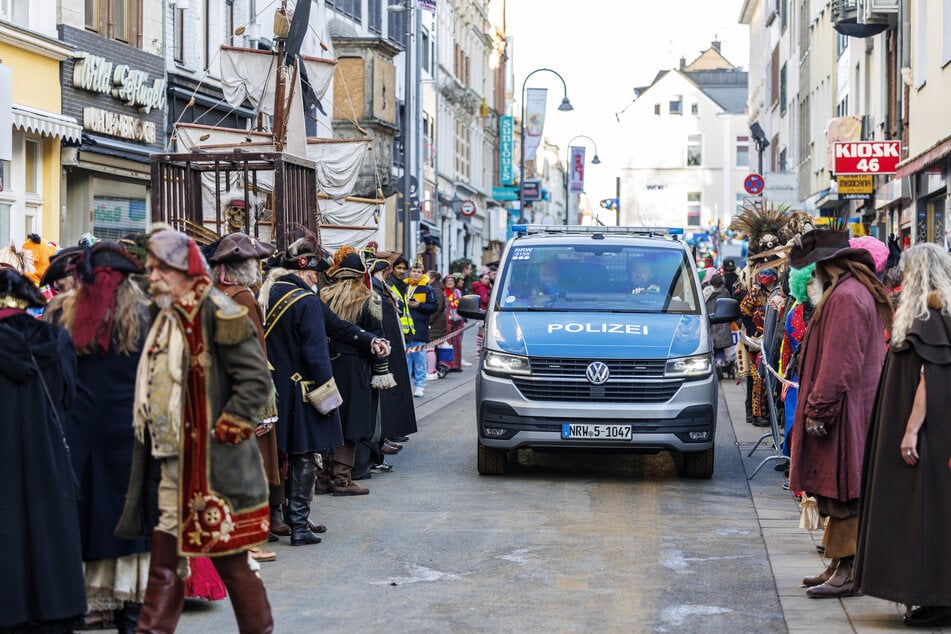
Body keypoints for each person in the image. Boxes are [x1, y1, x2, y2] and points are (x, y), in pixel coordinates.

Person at [114, 230, 274, 633]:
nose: (151, 278)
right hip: (171, 461)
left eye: (158, 270)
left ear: (182, 270)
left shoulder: (222, 312)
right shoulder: (162, 315)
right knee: (166, 561)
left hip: (215, 464)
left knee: (232, 561)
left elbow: (256, 381)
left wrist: (229, 426)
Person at [41, 242, 151, 632]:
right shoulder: (146, 316)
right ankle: (130, 617)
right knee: (127, 525)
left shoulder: (59, 315)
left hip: (76, 436)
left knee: (78, 520)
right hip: (130, 436)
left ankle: (75, 607)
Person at [787, 230, 892, 600]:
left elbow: (839, 362)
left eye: (814, 267)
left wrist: (820, 408)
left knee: (845, 489)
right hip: (846, 408)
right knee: (838, 490)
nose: (812, 274)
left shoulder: (846, 296)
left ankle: (849, 569)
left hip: (844, 411)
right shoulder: (847, 291)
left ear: (828, 264)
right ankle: (839, 563)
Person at [854, 244, 951, 627]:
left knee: (923, 513)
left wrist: (911, 431)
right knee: (923, 514)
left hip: (927, 435)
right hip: (929, 433)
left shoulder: (930, 315)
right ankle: (929, 594)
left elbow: (931, 377)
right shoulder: (932, 313)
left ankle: (936, 597)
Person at [261, 236, 388, 509]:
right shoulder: (306, 300)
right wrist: (325, 391)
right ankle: (299, 521)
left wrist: (368, 340)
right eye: (313, 274)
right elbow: (316, 349)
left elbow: (339, 327)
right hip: (303, 384)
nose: (316, 279)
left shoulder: (266, 294)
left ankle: (280, 517)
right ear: (303, 272)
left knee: (280, 451)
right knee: (303, 450)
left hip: (270, 384)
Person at [0, 267, 86, 633]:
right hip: (45, 451)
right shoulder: (55, 339)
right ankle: (53, 606)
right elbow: (68, 397)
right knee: (46, 530)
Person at [206, 233, 282, 562]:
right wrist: (264, 407)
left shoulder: (212, 295)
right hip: (243, 394)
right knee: (251, 469)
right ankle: (244, 542)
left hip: (216, 392)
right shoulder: (243, 297)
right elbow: (256, 354)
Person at [320, 246, 395, 486]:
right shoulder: (369, 298)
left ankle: (322, 478)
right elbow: (377, 337)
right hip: (355, 367)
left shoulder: (323, 296)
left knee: (326, 417)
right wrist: (381, 370)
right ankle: (342, 478)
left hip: (325, 365)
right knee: (351, 420)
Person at [368, 254, 418, 468]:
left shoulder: (384, 289)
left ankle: (385, 436)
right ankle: (381, 440)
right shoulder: (377, 291)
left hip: (393, 345)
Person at [397, 257, 437, 397]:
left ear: (423, 273)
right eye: (413, 271)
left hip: (420, 328)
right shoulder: (403, 286)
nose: (415, 274)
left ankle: (420, 385)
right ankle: (407, 385)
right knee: (406, 359)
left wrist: (419, 305)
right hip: (405, 328)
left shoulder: (427, 288)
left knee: (419, 358)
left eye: (418, 272)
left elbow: (434, 307)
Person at [703, 273, 733, 372]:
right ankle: (719, 363)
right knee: (720, 348)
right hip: (723, 323)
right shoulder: (725, 293)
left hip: (710, 322)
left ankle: (714, 365)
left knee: (711, 347)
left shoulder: (705, 293)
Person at [443, 274, 464, 372]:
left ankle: (456, 365)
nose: (450, 282)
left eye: (452, 280)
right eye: (448, 280)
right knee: (447, 343)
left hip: (458, 320)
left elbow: (461, 305)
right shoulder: (443, 293)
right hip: (446, 321)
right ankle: (447, 364)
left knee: (457, 342)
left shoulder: (458, 292)